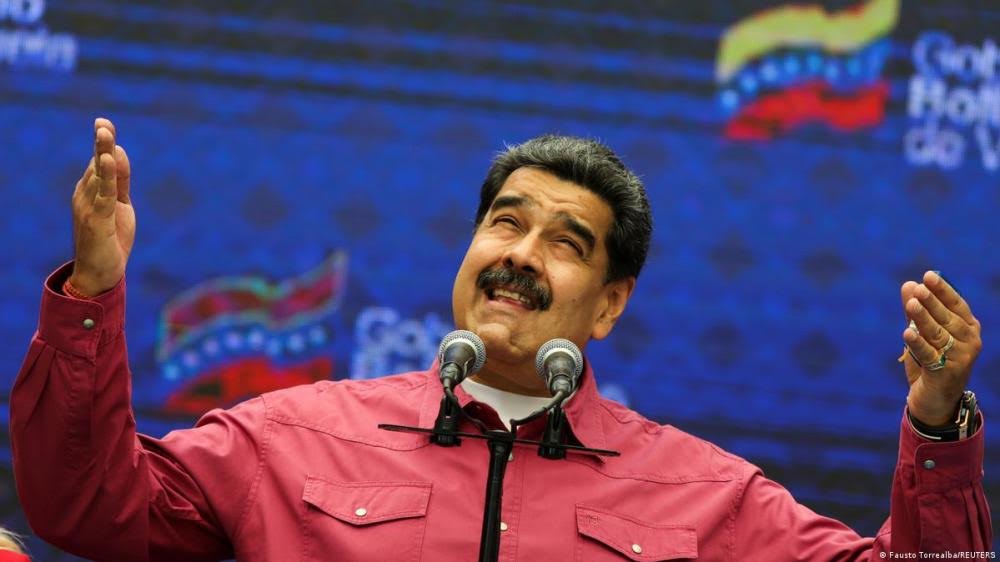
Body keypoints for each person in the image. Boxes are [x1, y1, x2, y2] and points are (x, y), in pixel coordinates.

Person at [11, 118, 989, 561]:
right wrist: (93, 290)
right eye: (505, 224)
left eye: (565, 243)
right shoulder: (291, 438)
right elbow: (88, 507)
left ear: (608, 307)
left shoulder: (709, 497)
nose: (520, 254)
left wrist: (937, 424)